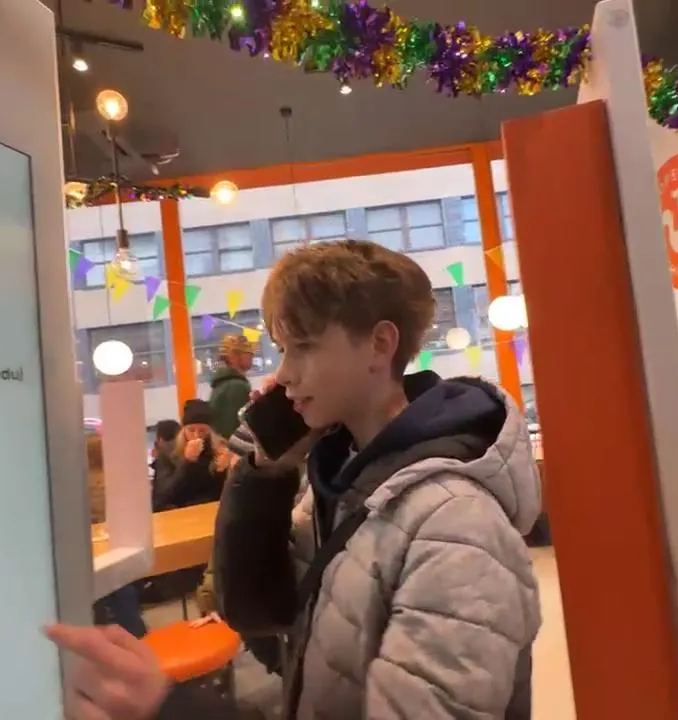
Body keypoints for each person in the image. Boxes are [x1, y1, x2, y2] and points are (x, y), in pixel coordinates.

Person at [212, 239, 542, 718]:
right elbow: (258, 612)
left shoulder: (456, 524)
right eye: (282, 350)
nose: (282, 374)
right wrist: (266, 473)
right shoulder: (339, 483)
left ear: (380, 344)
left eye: (303, 347)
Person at [153, 400, 234, 512]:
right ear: (183, 430)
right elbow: (163, 497)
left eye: (202, 431)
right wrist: (187, 463)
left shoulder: (220, 449)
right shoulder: (168, 452)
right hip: (181, 511)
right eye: (191, 430)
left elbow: (226, 493)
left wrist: (224, 471)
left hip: (211, 509)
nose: (196, 435)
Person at [209, 334, 255, 439]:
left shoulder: (222, 384)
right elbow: (236, 427)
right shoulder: (236, 386)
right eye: (246, 352)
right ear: (232, 356)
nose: (251, 356)